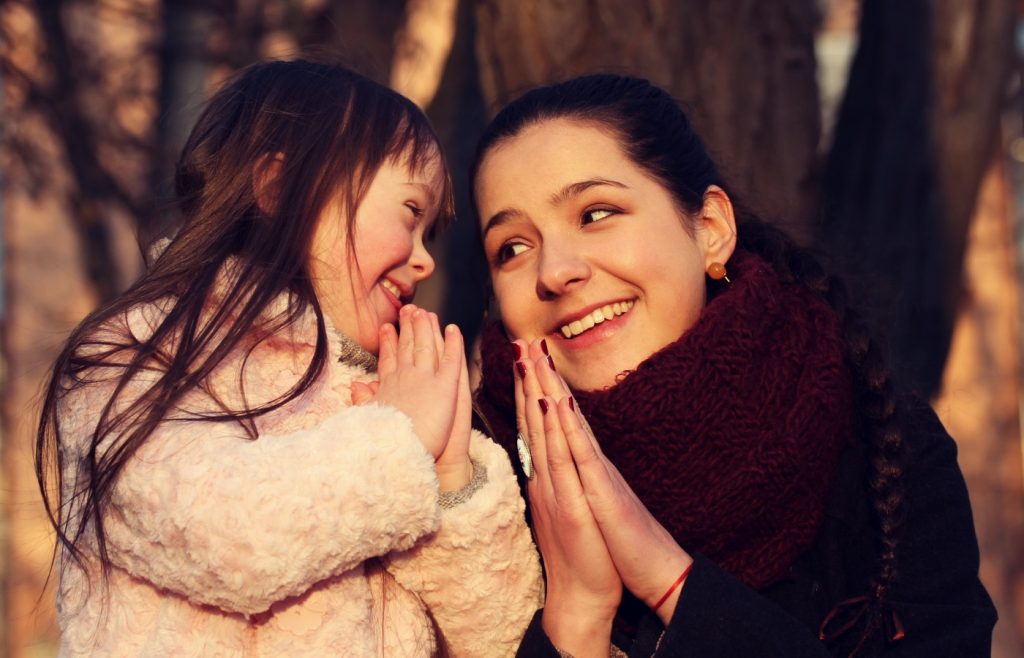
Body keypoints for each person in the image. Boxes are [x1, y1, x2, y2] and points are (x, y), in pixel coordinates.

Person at [471, 74, 996, 657]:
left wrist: (673, 582)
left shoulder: (882, 439)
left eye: (595, 213)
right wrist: (575, 621)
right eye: (512, 248)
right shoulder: (473, 483)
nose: (554, 271)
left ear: (711, 230)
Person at [36, 58, 542, 657]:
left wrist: (452, 473)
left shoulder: (390, 390)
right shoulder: (140, 353)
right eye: (410, 215)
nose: (424, 258)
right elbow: (226, 539)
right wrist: (398, 439)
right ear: (280, 188)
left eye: (429, 234)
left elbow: (506, 635)